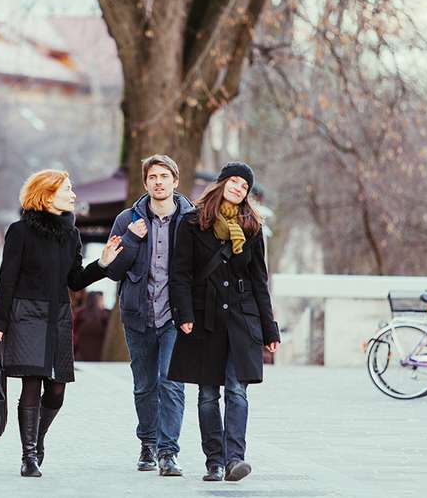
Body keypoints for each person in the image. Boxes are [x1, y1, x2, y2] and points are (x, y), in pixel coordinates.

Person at [0, 169, 123, 477]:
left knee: (58, 390)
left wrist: (102, 263)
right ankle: (28, 456)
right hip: (26, 314)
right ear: (48, 194)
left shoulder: (70, 233)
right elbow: (7, 278)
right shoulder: (19, 231)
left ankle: (38, 438)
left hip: (59, 314)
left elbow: (74, 279)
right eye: (67, 189)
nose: (74, 194)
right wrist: (1, 320)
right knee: (32, 383)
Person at [168, 162, 280, 483]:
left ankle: (235, 459)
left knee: (237, 390)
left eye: (244, 186)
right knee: (206, 394)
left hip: (242, 320)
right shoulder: (192, 222)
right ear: (221, 184)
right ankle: (214, 461)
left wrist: (269, 328)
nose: (237, 188)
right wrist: (184, 314)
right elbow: (179, 274)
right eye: (233, 182)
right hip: (205, 316)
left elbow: (260, 280)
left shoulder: (252, 226)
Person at [105, 154, 195, 476]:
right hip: (138, 315)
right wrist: (131, 239)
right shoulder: (126, 220)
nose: (158, 182)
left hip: (175, 316)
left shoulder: (192, 220)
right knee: (145, 386)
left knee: (171, 384)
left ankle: (169, 452)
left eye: (164, 176)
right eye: (152, 177)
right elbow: (114, 271)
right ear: (145, 183)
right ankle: (148, 444)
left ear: (175, 180)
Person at [72, 291, 109, 361]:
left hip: (81, 358)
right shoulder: (104, 316)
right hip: (99, 359)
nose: (103, 302)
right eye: (100, 299)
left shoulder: (80, 313)